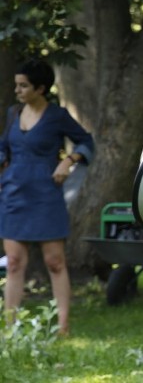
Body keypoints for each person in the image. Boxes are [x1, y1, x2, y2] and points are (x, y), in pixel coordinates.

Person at [0, 58, 95, 336]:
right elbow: (4, 146)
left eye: (23, 86)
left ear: (40, 89)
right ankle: (10, 327)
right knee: (15, 262)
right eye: (17, 85)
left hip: (45, 195)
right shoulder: (13, 113)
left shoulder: (57, 116)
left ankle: (63, 327)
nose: (17, 90)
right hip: (13, 193)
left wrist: (68, 161)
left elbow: (86, 141)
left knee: (55, 262)